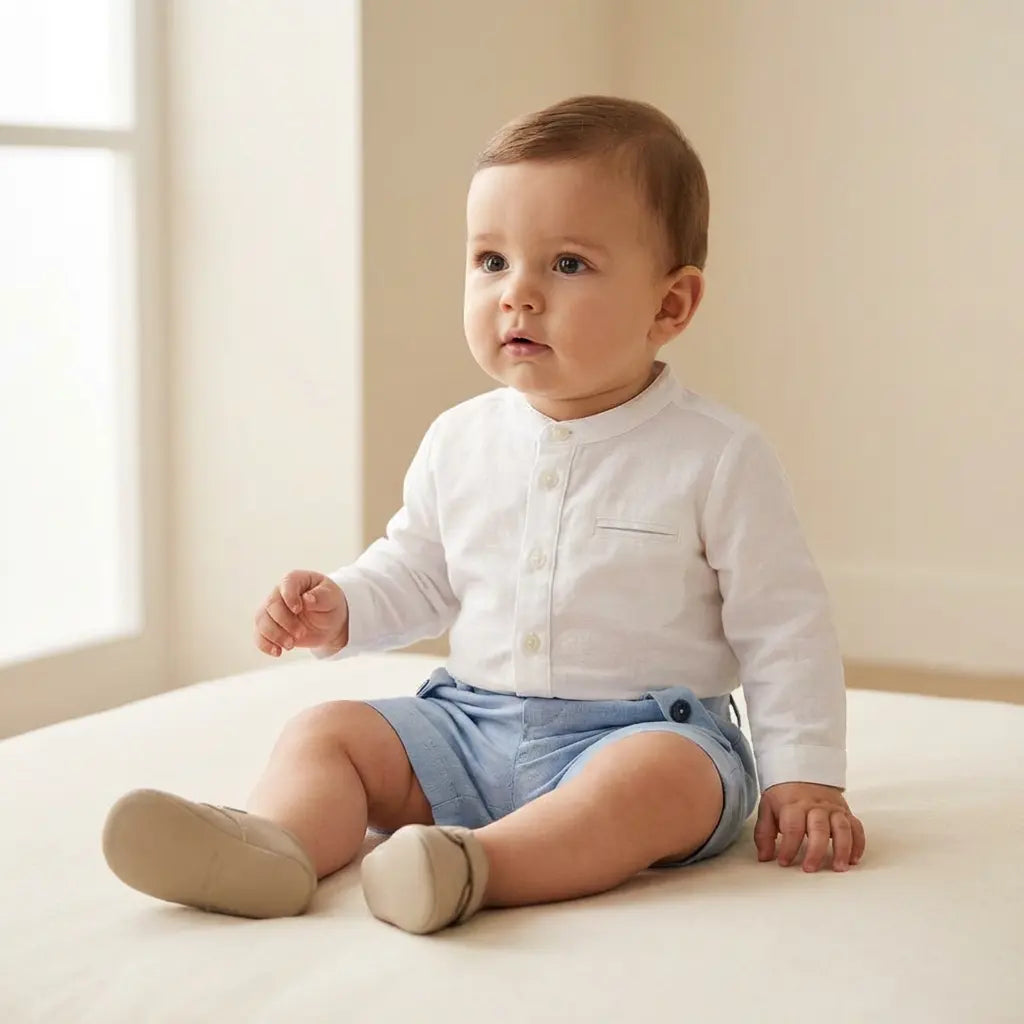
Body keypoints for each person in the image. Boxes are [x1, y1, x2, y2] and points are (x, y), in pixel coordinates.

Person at [103, 95, 866, 935]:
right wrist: (344, 606)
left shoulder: (716, 455)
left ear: (670, 306)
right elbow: (420, 569)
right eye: (492, 261)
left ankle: (477, 869)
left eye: (568, 265)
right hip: (466, 727)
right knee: (329, 731)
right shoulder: (459, 439)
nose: (518, 296)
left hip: (637, 733)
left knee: (661, 783)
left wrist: (804, 773)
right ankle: (275, 848)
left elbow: (783, 626)